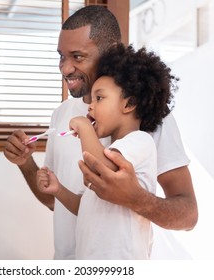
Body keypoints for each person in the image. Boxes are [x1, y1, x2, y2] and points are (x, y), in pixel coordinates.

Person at [3, 5, 198, 260]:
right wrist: (25, 163)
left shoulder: (147, 116)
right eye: (61, 56)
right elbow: (56, 201)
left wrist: (137, 199)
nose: (65, 68)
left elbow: (188, 216)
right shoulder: (61, 115)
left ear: (111, 51)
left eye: (78, 56)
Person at [36, 43, 176, 259]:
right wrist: (58, 190)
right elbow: (85, 207)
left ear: (129, 104)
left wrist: (83, 126)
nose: (90, 106)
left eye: (99, 98)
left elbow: (102, 168)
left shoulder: (140, 142)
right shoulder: (107, 149)